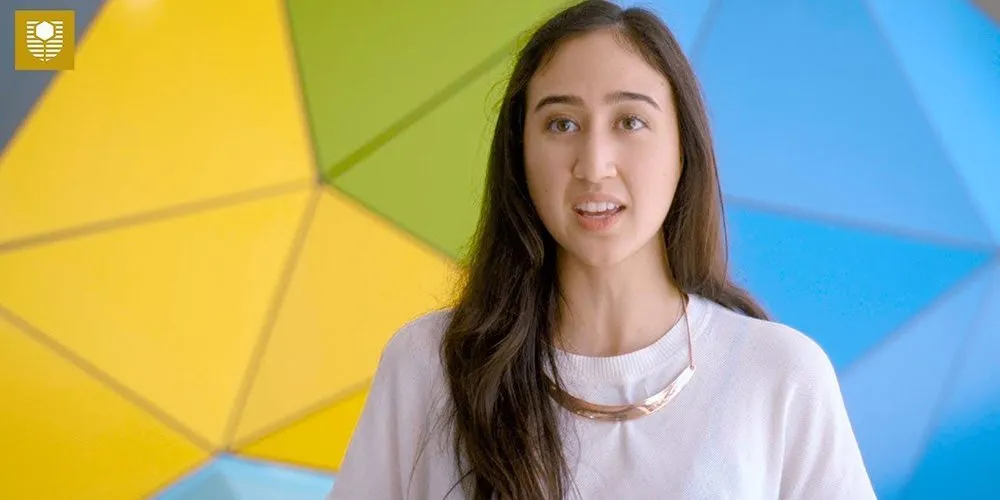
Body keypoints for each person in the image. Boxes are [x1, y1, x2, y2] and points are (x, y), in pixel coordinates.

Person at [327, 1, 877, 498]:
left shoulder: (779, 375)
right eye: (561, 123)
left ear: (683, 149)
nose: (593, 166)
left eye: (630, 121)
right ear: (519, 154)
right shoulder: (428, 366)